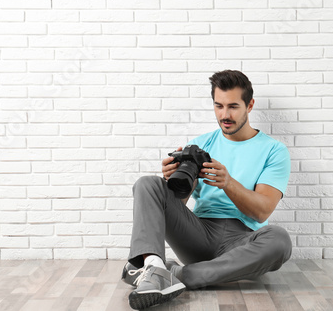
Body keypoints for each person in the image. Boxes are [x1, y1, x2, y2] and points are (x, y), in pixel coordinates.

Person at [122, 70, 293, 310]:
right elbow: (176, 207)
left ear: (250, 105)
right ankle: (153, 263)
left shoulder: (274, 150)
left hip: (241, 242)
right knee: (147, 183)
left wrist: (228, 183)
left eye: (233, 106)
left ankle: (172, 274)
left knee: (280, 240)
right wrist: (170, 181)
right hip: (198, 234)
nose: (225, 115)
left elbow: (262, 212)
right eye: (219, 106)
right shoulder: (201, 145)